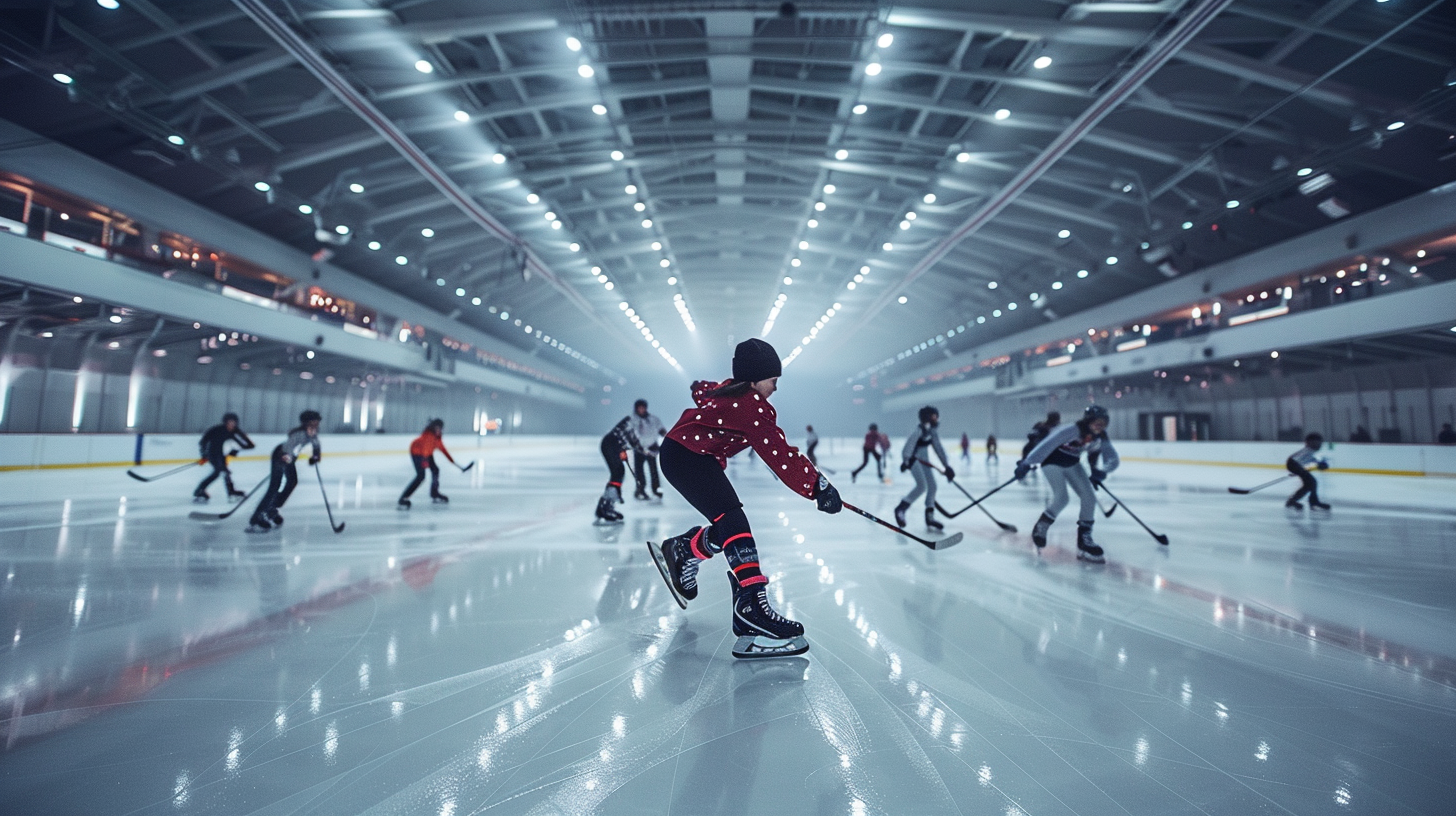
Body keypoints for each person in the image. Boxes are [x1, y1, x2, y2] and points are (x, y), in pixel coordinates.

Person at [647, 338, 840, 659]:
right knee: (733, 520)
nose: (776, 388)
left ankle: (684, 550)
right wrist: (818, 486)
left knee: (730, 524)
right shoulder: (751, 405)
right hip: (685, 457)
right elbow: (781, 456)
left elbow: (706, 392)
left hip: (689, 455)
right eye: (773, 380)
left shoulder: (736, 393)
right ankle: (751, 605)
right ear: (753, 380)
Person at [1015, 405, 1119, 563]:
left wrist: (1102, 471)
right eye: (1097, 423)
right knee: (1062, 498)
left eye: (1103, 424)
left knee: (1089, 497)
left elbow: (1111, 457)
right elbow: (1047, 445)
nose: (1100, 427)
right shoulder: (1072, 430)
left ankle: (1084, 541)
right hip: (1052, 462)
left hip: (1072, 463)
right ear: (1088, 421)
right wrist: (1027, 463)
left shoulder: (1100, 437)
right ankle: (1042, 526)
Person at [248, 410, 321, 533]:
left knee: (292, 481)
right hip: (280, 455)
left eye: (317, 422)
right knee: (274, 487)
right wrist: (285, 457)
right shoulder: (298, 433)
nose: (316, 424)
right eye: (314, 422)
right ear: (306, 423)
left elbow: (316, 447)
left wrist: (315, 457)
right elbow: (288, 447)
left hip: (289, 458)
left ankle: (271, 508)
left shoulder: (312, 434)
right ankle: (256, 519)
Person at [894, 406, 954, 531]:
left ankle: (929, 517)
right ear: (927, 417)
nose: (936, 419)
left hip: (924, 462)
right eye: (934, 416)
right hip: (914, 460)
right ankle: (901, 508)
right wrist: (906, 460)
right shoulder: (919, 430)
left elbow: (939, 449)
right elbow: (908, 446)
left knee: (932, 486)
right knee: (922, 486)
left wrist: (946, 466)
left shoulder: (932, 432)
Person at [597, 410, 648, 523]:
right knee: (618, 473)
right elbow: (628, 438)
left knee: (618, 473)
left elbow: (632, 441)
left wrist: (624, 449)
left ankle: (606, 505)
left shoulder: (635, 424)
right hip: (610, 445)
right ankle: (606, 506)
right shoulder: (631, 421)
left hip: (613, 445)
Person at [193, 412, 254, 503]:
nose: (232, 424)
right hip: (212, 454)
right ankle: (228, 492)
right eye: (229, 422)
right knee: (221, 472)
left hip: (221, 456)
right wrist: (204, 454)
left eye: (234, 422)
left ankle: (201, 490)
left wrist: (235, 450)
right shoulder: (216, 429)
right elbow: (203, 441)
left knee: (223, 473)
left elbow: (250, 445)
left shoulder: (236, 431)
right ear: (225, 422)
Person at [398, 418, 457, 509]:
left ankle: (434, 493)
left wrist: (452, 461)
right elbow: (426, 447)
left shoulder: (437, 438)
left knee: (436, 470)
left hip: (427, 454)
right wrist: (424, 460)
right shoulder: (429, 435)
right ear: (433, 427)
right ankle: (403, 498)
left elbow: (443, 450)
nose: (439, 429)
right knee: (421, 476)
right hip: (417, 452)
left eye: (440, 428)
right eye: (437, 427)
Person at [628, 399, 667, 500]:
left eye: (643, 407)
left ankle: (656, 489)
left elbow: (661, 429)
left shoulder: (653, 419)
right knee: (639, 471)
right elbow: (630, 434)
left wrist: (667, 437)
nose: (641, 409)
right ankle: (640, 490)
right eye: (639, 408)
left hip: (652, 447)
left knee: (653, 470)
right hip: (639, 448)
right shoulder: (632, 420)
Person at [1285, 433, 1331, 511]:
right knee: (1312, 482)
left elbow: (1308, 462)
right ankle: (1313, 502)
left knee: (1310, 484)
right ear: (1310, 442)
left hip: (1295, 465)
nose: (1319, 445)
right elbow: (1296, 460)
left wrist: (1318, 465)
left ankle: (1293, 501)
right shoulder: (1307, 451)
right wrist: (1298, 469)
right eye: (1318, 442)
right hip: (1294, 465)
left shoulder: (1309, 451)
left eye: (1320, 443)